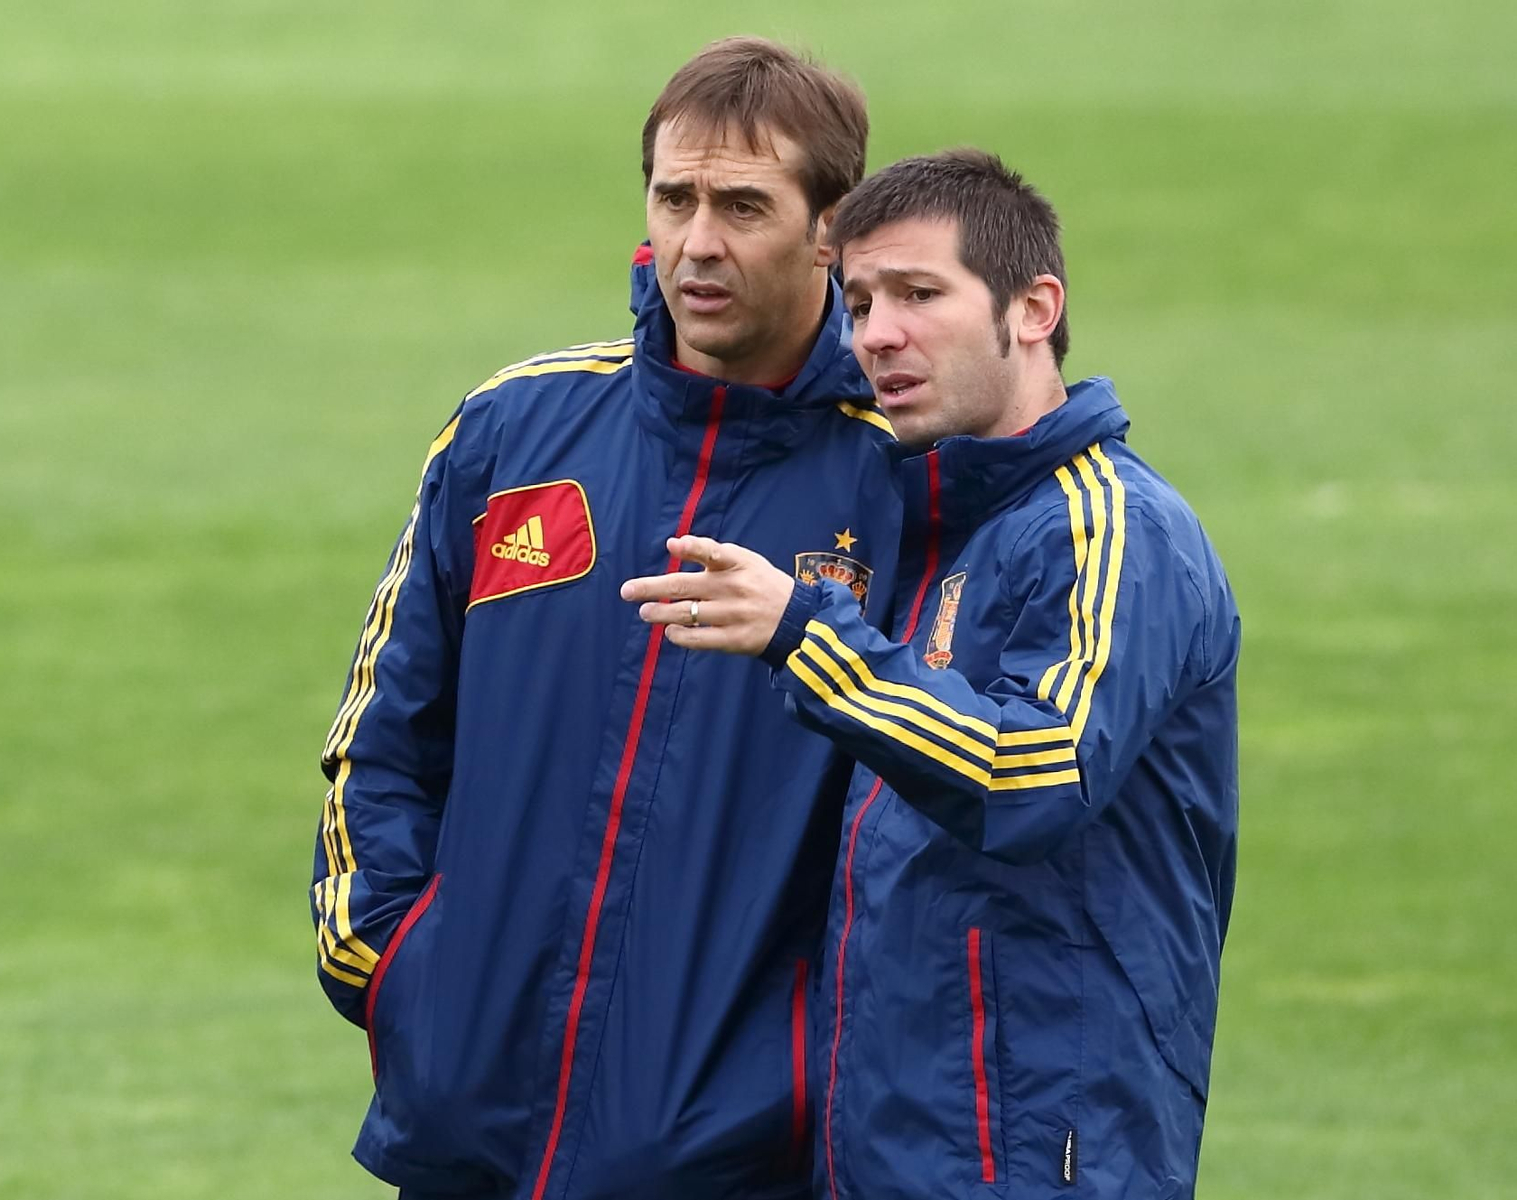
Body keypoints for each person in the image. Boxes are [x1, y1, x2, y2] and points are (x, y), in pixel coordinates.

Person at [310, 37, 902, 1200]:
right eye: (674, 197)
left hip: (734, 1160)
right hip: (468, 1130)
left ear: (830, 228)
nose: (696, 243)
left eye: (743, 206)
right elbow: (379, 736)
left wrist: (794, 1073)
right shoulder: (511, 430)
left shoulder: (904, 484)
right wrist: (398, 968)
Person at [622, 149, 1240, 1199]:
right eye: (858, 302)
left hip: (1040, 1159)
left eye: (919, 294)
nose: (877, 335)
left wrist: (804, 634)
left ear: (1034, 308)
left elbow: (1034, 773)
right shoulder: (935, 522)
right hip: (892, 1151)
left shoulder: (1110, 528)